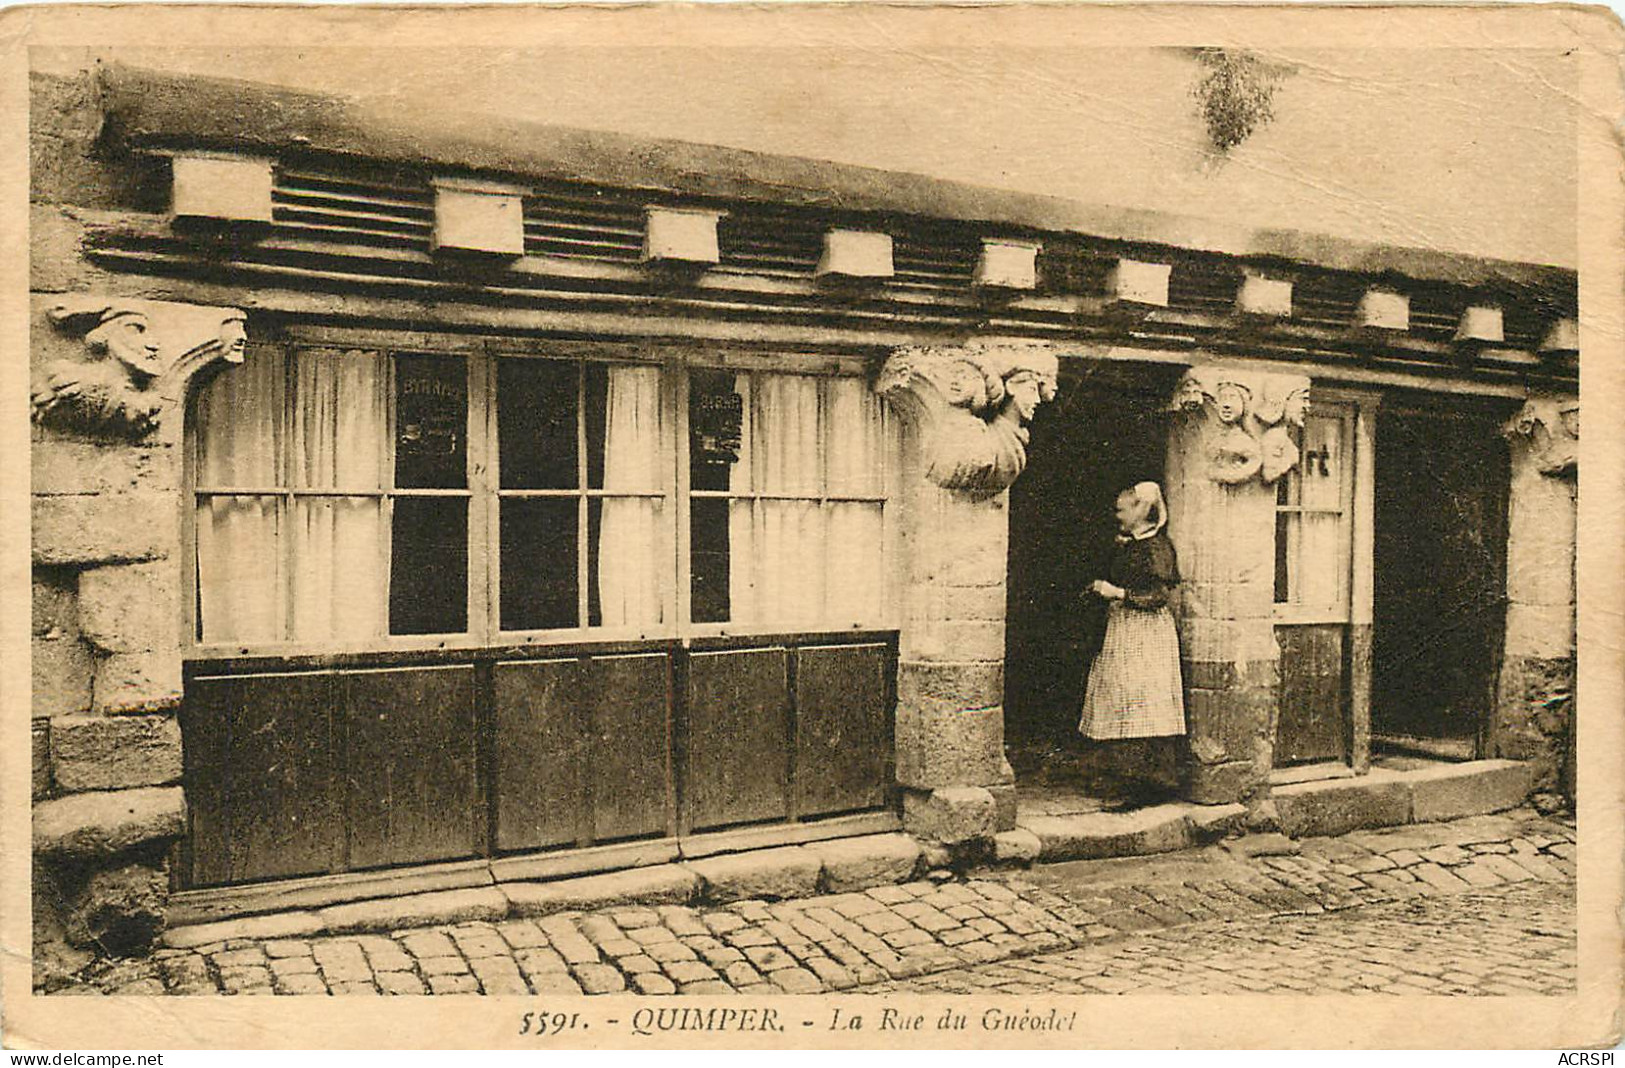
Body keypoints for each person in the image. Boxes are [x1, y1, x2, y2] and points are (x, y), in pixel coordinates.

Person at [1078, 481, 1187, 804]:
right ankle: (1122, 778)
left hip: (1145, 632)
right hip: (1125, 627)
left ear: (1141, 511)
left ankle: (1146, 785)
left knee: (1141, 700)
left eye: (1122, 509)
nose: (1117, 515)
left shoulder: (1157, 547)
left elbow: (1159, 596)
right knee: (1119, 697)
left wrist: (1118, 593)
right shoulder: (1133, 544)